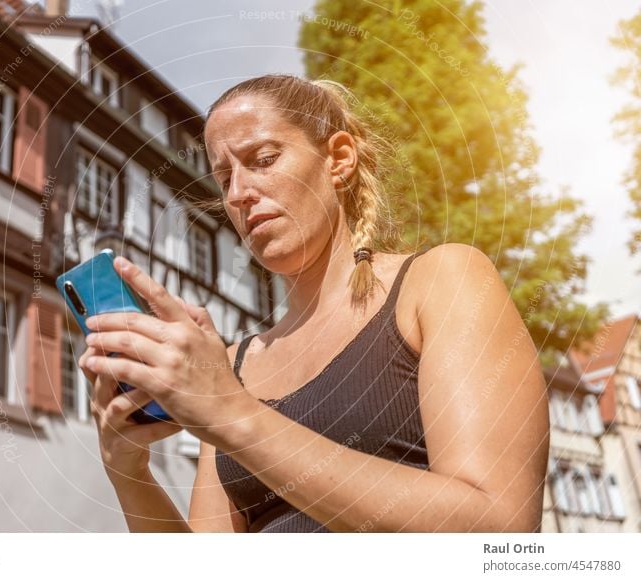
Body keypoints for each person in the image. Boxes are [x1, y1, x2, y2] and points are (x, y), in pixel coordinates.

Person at [79, 74, 550, 533]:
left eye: (263, 159)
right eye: (225, 179)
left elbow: (497, 526)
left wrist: (232, 415)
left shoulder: (442, 280)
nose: (239, 193)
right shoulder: (232, 367)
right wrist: (128, 469)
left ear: (338, 159)